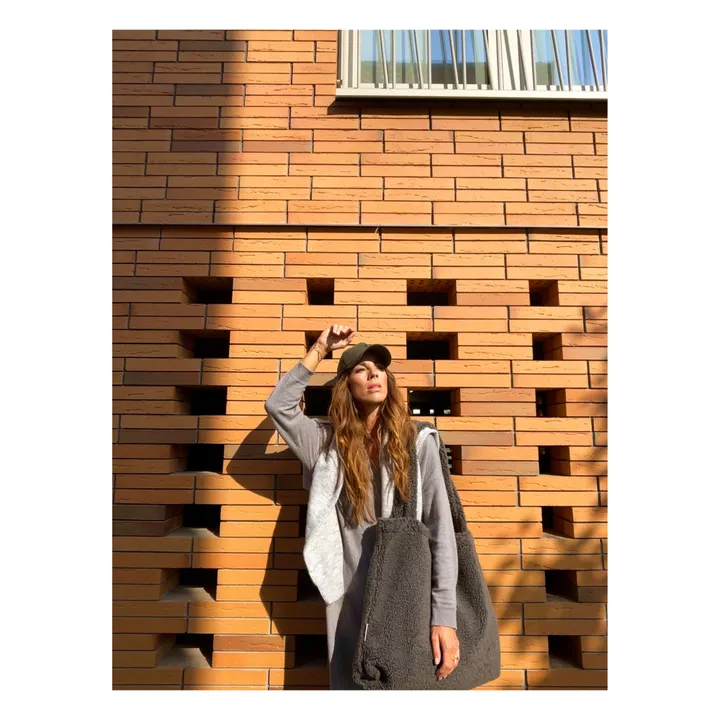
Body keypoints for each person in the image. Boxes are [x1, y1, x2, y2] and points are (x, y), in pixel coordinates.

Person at [264, 324, 459, 689]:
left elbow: (440, 531)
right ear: (346, 386)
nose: (373, 374)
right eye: (361, 369)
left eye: (380, 368)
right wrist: (321, 348)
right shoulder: (325, 444)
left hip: (407, 589)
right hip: (348, 594)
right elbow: (279, 406)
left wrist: (444, 616)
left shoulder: (418, 443)